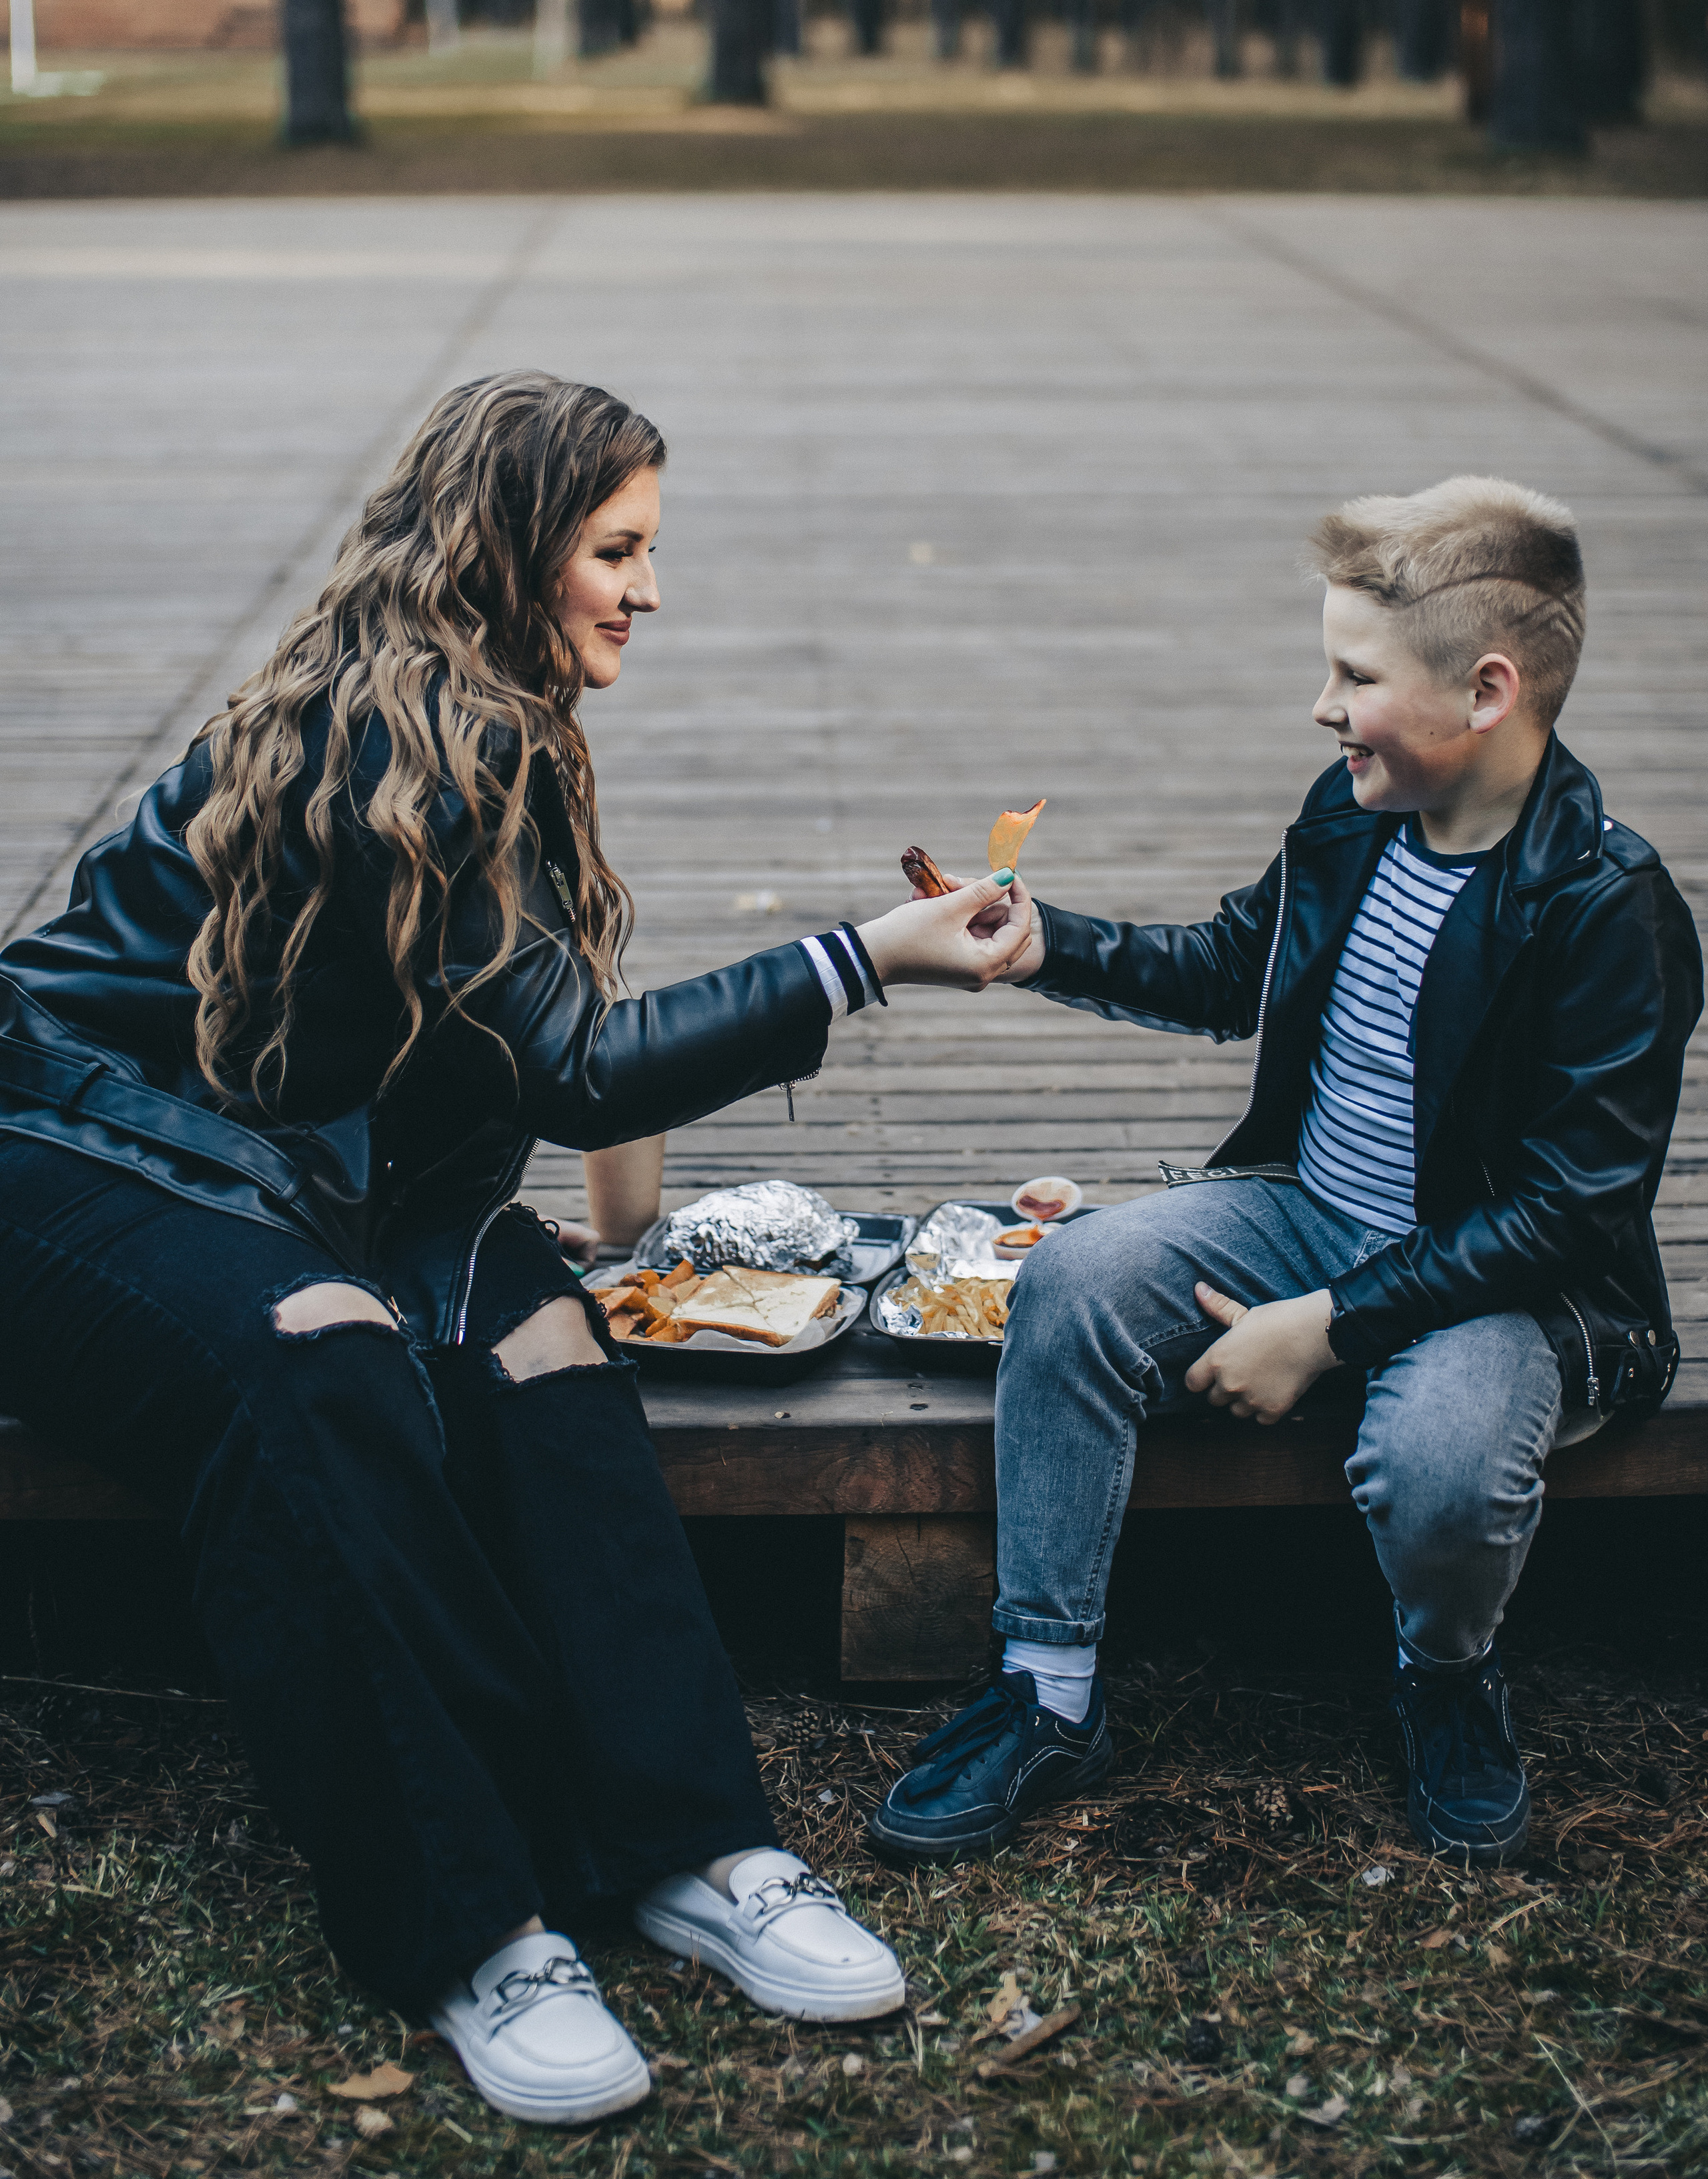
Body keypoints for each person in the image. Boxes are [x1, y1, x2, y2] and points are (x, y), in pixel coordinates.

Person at [0, 371, 1030, 2128]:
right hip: (74, 1147)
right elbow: (585, 1063)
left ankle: (695, 1845)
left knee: (547, 1342)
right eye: (618, 550)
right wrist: (869, 956)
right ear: (512, 547)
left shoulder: (489, 716)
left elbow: (511, 1056)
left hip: (298, 1163)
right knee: (312, 1349)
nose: (648, 589)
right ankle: (475, 1922)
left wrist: (517, 1236)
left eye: (651, 551)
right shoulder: (405, 733)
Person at [870, 476, 1701, 1873]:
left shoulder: (1605, 909)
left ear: (1486, 689)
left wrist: (1320, 1329)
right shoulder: (1351, 811)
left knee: (1438, 1458)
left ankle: (1444, 1672)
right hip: (1306, 1209)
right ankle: (1047, 1689)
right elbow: (1228, 970)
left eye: (1351, 676)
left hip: (1494, 1282)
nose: (1320, 709)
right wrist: (1045, 943)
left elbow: (1569, 1211)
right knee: (1068, 1279)